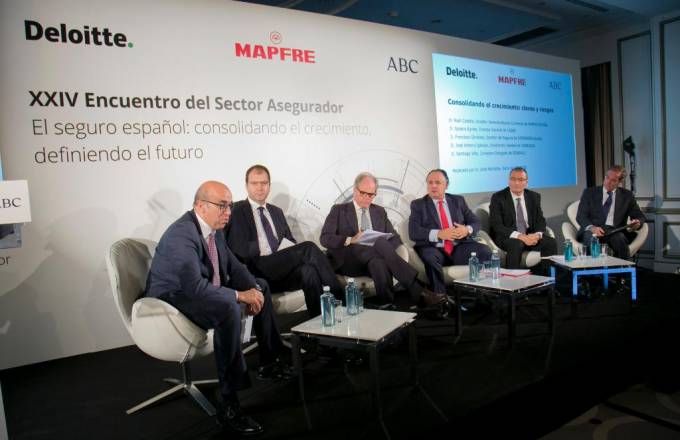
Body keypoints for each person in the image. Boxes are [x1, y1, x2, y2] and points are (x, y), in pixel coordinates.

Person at [145, 181, 291, 437]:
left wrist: (253, 289)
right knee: (228, 307)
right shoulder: (182, 234)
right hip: (172, 297)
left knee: (262, 286)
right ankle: (228, 404)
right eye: (222, 206)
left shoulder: (215, 230)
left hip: (199, 288)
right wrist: (240, 295)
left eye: (230, 206)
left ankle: (269, 361)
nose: (228, 212)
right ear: (200, 206)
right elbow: (193, 287)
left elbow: (234, 267)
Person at [226, 164, 343, 318]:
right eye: (254, 183)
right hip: (255, 269)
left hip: (279, 270)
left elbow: (289, 241)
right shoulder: (235, 211)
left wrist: (289, 250)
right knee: (308, 248)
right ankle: (342, 299)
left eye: (264, 183)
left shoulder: (276, 212)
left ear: (269, 185)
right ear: (246, 186)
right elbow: (230, 248)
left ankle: (319, 322)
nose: (260, 188)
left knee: (309, 271)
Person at [320, 172, 445, 309]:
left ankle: (387, 304)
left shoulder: (379, 211)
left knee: (378, 259)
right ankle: (417, 290)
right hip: (350, 262)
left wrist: (384, 246)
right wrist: (352, 239)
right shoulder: (339, 210)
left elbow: (395, 238)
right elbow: (325, 238)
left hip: (374, 259)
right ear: (355, 190)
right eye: (363, 193)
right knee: (380, 244)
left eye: (371, 195)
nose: (367, 198)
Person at [409, 169, 492, 294]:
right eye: (430, 182)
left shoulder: (458, 200)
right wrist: (439, 234)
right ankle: (440, 298)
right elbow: (414, 232)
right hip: (434, 248)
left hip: (458, 246)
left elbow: (475, 222)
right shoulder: (418, 204)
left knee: (485, 251)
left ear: (446, 185)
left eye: (437, 182)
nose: (433, 186)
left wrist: (466, 229)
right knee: (430, 258)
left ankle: (484, 295)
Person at [489, 166, 557, 270]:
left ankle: (547, 276)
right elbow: (497, 225)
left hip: (529, 236)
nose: (516, 183)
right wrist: (520, 236)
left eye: (520, 180)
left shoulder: (534, 196)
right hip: (508, 237)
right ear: (509, 181)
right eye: (513, 179)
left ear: (526, 182)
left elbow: (540, 220)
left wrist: (537, 235)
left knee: (550, 242)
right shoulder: (498, 197)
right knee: (516, 244)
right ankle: (512, 278)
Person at [576, 165, 645, 259]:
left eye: (613, 180)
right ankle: (594, 268)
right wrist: (591, 227)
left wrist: (637, 222)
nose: (608, 182)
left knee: (619, 239)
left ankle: (623, 267)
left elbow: (638, 215)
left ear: (620, 182)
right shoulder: (589, 192)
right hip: (593, 230)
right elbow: (581, 216)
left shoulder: (627, 195)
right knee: (591, 239)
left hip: (615, 231)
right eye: (607, 177)